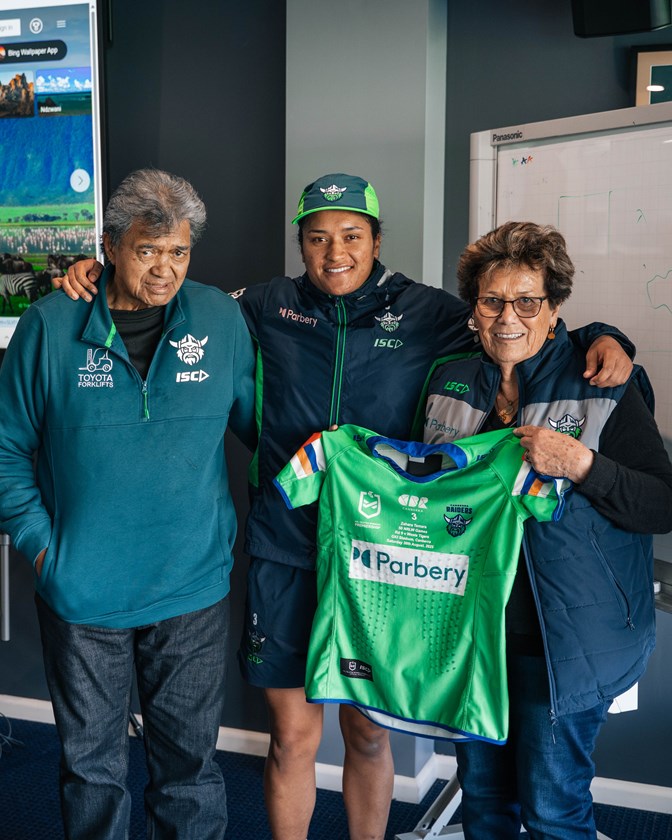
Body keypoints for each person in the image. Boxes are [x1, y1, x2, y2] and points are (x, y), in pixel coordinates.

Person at [60, 175, 633, 840]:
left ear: (377, 240)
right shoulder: (262, 305)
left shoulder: (429, 311)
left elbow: (515, 320)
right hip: (286, 549)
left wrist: (604, 332)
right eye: (318, 237)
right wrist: (93, 274)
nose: (335, 251)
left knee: (365, 732)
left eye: (352, 236)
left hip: (383, 561)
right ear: (300, 243)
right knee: (292, 736)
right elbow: (166, 297)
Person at [0, 169, 255, 840]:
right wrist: (46, 550)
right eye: (148, 250)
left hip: (192, 590)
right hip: (83, 596)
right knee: (92, 770)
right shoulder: (49, 326)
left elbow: (269, 430)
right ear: (110, 246)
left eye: (179, 252)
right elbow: (4, 451)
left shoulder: (221, 319)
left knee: (191, 770)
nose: (166, 268)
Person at [420, 220, 672, 839]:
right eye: (492, 300)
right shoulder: (446, 378)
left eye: (528, 301)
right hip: (474, 636)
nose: (509, 317)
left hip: (566, 641)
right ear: (473, 308)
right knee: (482, 800)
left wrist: (582, 465)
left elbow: (663, 505)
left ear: (554, 309)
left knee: (554, 808)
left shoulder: (605, 384)